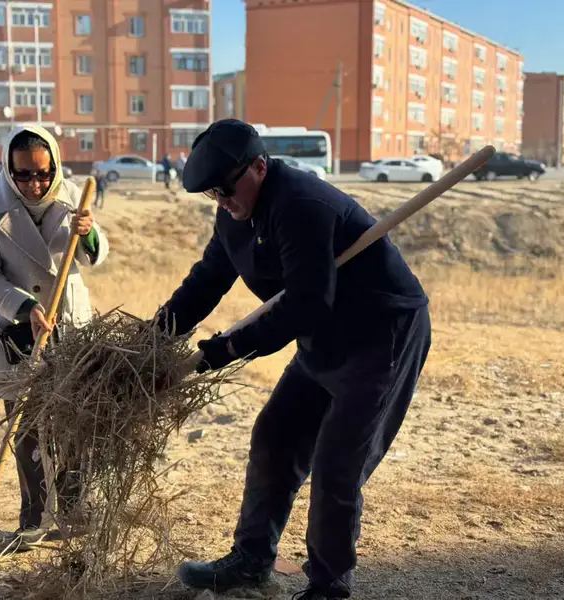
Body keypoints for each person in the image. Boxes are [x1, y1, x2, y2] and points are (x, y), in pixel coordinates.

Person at [153, 119, 431, 599]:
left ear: (259, 166)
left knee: (337, 464)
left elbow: (304, 304)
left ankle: (328, 585)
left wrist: (228, 349)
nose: (221, 200)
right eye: (211, 194)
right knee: (275, 438)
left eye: (225, 188)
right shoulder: (232, 215)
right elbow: (206, 280)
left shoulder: (301, 204)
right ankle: (251, 560)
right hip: (322, 336)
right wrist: (152, 339)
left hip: (378, 335)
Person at [0, 124, 109, 550]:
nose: (35, 183)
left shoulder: (72, 197)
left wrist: (90, 233)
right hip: (16, 329)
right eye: (24, 174)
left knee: (75, 421)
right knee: (27, 427)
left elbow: (92, 256)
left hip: (69, 325)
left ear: (55, 167)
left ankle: (74, 507)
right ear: (9, 168)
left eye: (43, 174)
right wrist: (24, 306)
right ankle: (35, 516)